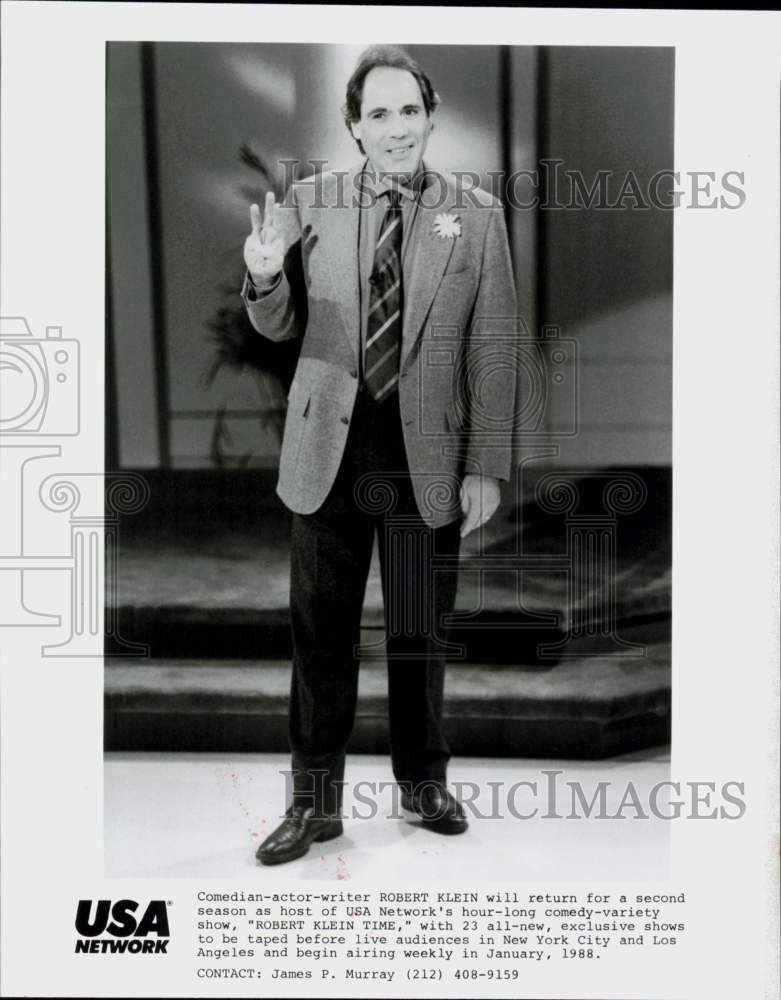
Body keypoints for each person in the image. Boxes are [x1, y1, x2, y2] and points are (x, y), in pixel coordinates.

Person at [241, 45, 518, 865]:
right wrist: (263, 278)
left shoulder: (475, 215)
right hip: (328, 448)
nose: (395, 128)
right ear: (354, 127)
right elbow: (279, 327)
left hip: (423, 455)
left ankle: (422, 782)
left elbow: (493, 347)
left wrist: (484, 465)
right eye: (377, 114)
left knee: (416, 633)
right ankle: (313, 804)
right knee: (319, 635)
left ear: (429, 115)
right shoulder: (311, 200)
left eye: (408, 111)